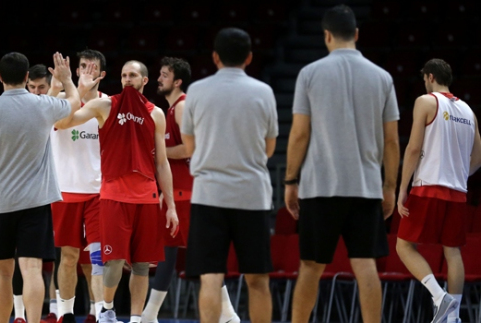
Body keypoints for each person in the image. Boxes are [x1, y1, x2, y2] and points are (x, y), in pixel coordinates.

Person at [0, 52, 99, 323]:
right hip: (35, 202)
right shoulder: (43, 104)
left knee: (1, 272)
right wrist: (67, 80)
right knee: (32, 269)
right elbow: (74, 102)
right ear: (26, 78)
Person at [284, 5, 400, 323]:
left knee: (310, 266)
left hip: (320, 185)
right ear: (357, 35)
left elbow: (299, 134)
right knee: (365, 265)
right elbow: (392, 141)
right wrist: (389, 187)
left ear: (326, 35)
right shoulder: (383, 77)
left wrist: (290, 181)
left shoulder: (309, 74)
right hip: (365, 186)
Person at [53, 60, 178, 323]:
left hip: (146, 196)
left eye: (132, 75)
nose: (127, 79)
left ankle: (135, 318)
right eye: (123, 76)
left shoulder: (155, 113)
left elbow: (162, 162)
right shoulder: (105, 105)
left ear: (145, 80)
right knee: (113, 261)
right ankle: (107, 309)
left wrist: (172, 207)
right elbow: (63, 124)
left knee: (143, 265)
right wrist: (78, 89)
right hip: (112, 195)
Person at [181, 27, 277, 323]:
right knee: (258, 280)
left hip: (209, 194)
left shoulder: (196, 90)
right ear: (249, 57)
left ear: (215, 57)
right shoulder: (264, 91)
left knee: (210, 278)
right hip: (252, 196)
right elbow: (270, 148)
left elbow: (189, 145)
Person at [142, 57, 240, 323]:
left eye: (164, 75)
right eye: (159, 74)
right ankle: (150, 315)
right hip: (177, 193)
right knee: (170, 253)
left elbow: (189, 149)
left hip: (188, 193)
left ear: (177, 81)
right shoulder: (170, 109)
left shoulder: (182, 107)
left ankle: (228, 314)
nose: (159, 79)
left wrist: (156, 155)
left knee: (199, 255)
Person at [396, 59, 481, 323]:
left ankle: (438, 296)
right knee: (452, 251)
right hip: (457, 193)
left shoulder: (426, 101)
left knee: (404, 246)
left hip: (427, 188)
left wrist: (402, 188)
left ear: (430, 77)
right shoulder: (468, 110)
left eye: (424, 80)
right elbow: (478, 157)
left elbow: (412, 148)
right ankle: (452, 316)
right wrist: (457, 175)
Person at [46, 49, 109, 323]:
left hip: (99, 193)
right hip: (65, 190)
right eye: (81, 66)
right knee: (69, 257)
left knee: (97, 258)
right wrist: (78, 93)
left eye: (91, 68)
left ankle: (100, 313)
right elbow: (59, 123)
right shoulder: (61, 101)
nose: (85, 71)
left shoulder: (109, 104)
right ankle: (67, 313)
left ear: (102, 74)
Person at [9, 63, 61, 323]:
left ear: (52, 85)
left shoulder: (60, 105)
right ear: (26, 85)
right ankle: (19, 315)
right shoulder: (21, 110)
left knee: (58, 255)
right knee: (23, 257)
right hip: (27, 192)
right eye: (33, 87)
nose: (38, 92)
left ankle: (55, 310)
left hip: (57, 189)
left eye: (43, 87)